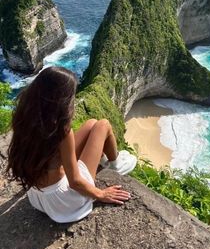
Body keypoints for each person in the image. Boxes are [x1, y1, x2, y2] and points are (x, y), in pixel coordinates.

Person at [6, 66, 137, 223]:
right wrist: (101, 194)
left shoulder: (24, 117)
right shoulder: (62, 132)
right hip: (63, 201)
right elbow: (74, 181)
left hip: (38, 197)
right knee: (103, 124)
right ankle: (114, 164)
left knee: (91, 123)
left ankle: (108, 159)